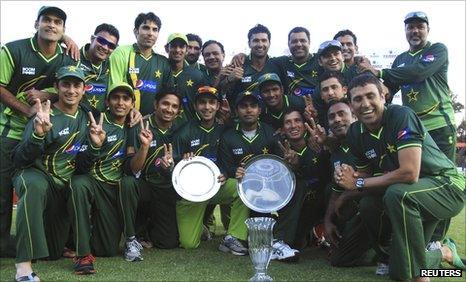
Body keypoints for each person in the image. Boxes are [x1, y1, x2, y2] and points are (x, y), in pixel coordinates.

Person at [336, 73, 465, 281]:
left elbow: (409, 173)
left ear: (383, 96)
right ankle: (442, 253)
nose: (365, 104)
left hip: (448, 187)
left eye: (371, 96)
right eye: (358, 99)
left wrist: (358, 182)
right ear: (350, 105)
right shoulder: (355, 133)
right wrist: (346, 177)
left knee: (397, 193)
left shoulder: (400, 115)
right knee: (370, 206)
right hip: (412, 196)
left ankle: (419, 274)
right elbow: (367, 176)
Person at [11, 66, 104, 281]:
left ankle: (76, 251)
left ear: (83, 90)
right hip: (35, 174)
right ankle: (23, 266)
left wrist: (95, 147)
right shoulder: (44, 114)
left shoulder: (86, 117)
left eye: (76, 85)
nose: (71, 90)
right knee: (34, 185)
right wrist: (37, 135)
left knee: (51, 253)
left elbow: (82, 166)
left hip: (61, 187)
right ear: (56, 87)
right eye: (66, 84)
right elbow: (19, 159)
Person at [0, 5, 76, 258]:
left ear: (64, 29)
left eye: (58, 23)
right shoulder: (14, 49)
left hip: (45, 132)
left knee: (38, 187)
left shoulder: (66, 59)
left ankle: (41, 240)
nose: (52, 25)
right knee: (3, 190)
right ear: (36, 23)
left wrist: (48, 93)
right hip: (10, 130)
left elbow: (80, 85)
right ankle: (3, 245)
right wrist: (26, 109)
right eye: (47, 20)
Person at [68, 82, 142, 275]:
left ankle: (87, 232)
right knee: (78, 184)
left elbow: (131, 168)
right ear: (107, 101)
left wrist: (144, 147)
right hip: (90, 181)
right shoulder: (95, 121)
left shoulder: (133, 126)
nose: (120, 103)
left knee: (107, 250)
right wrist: (95, 144)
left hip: (112, 188)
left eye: (126, 99)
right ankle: (82, 254)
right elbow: (81, 163)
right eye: (115, 98)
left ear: (132, 103)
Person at [316, 99, 389, 273]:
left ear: (355, 117)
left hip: (380, 207)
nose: (337, 119)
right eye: (332, 117)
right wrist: (328, 221)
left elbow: (386, 180)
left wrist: (349, 194)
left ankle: (388, 249)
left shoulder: (369, 140)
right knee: (339, 260)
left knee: (367, 204)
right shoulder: (336, 153)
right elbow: (335, 190)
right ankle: (370, 249)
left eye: (342, 114)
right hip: (356, 213)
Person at [173, 85, 249, 252]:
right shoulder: (184, 132)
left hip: (219, 185)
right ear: (195, 106)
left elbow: (232, 160)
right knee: (188, 244)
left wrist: (226, 172)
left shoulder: (226, 131)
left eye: (211, 103)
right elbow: (174, 166)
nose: (207, 107)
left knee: (243, 188)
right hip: (193, 191)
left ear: (218, 106)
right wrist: (182, 163)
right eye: (202, 102)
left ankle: (233, 237)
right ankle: (202, 228)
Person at [218, 90, 280, 255]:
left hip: (267, 188)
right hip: (243, 188)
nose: (249, 110)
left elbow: (278, 164)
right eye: (243, 106)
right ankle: (234, 238)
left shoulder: (270, 132)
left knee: (262, 235)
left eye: (253, 106)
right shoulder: (228, 136)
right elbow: (226, 167)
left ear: (260, 110)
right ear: (237, 111)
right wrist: (234, 171)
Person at [126, 89, 182, 249]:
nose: (169, 109)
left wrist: (169, 167)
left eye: (174, 106)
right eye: (165, 103)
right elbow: (132, 169)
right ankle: (136, 229)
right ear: (155, 104)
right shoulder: (140, 125)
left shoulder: (180, 129)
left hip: (165, 189)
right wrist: (144, 147)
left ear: (178, 111)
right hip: (143, 185)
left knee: (168, 243)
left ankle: (152, 227)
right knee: (129, 183)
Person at [108, 12, 173, 116]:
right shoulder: (121, 53)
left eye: (155, 29)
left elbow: (168, 97)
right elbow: (114, 88)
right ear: (136, 31)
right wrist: (130, 111)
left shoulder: (163, 62)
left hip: (153, 122)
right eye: (146, 28)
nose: (150, 33)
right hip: (124, 118)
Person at [164, 33, 207, 126]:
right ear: (166, 48)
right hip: (161, 126)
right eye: (174, 46)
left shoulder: (197, 75)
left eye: (181, 46)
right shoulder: (160, 68)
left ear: (186, 49)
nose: (177, 50)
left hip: (188, 127)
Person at [79, 23, 119, 113]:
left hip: (99, 122)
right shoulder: (74, 57)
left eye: (111, 46)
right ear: (92, 39)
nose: (105, 47)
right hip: (75, 119)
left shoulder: (111, 63)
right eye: (102, 41)